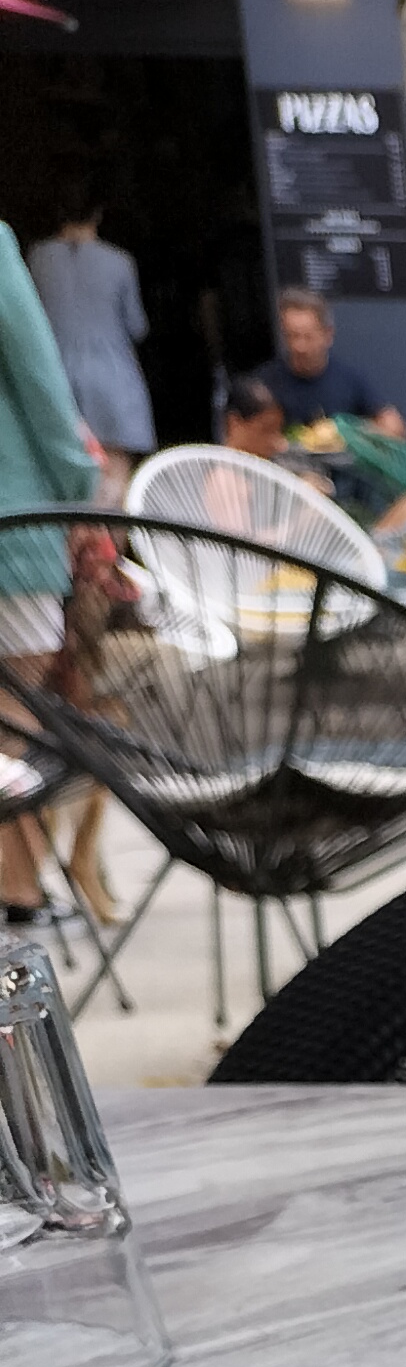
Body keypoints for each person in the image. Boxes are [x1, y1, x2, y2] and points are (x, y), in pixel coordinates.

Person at [0, 221, 101, 929]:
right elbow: (39, 381)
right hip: (11, 525)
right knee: (18, 719)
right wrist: (78, 490)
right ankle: (19, 894)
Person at [27, 202, 154, 473]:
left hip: (55, 378)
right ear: (98, 215)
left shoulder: (38, 258)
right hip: (111, 378)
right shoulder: (119, 262)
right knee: (114, 475)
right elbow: (137, 327)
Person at [246, 287, 406, 442]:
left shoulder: (348, 380)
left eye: (308, 337)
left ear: (328, 335)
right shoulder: (264, 383)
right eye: (292, 336)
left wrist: (354, 433)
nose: (299, 346)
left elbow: (395, 428)